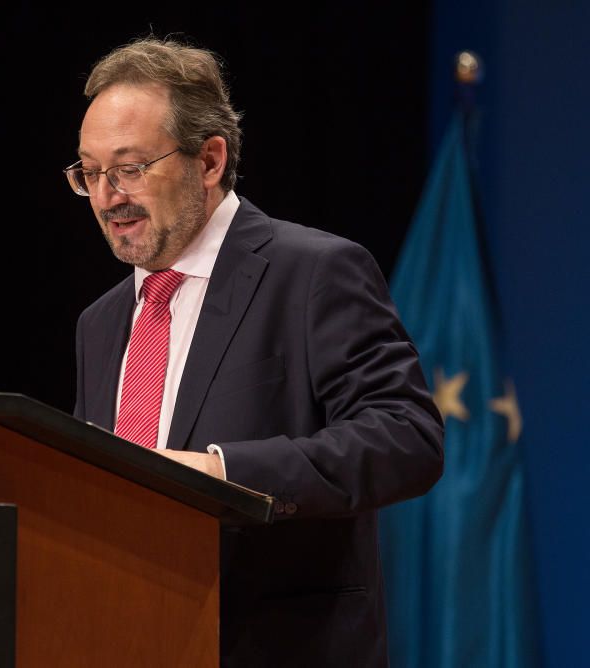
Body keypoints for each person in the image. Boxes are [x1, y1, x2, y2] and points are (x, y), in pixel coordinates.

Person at [68, 37, 444, 667]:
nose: (108, 197)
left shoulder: (315, 273)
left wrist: (222, 474)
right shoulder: (99, 323)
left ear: (209, 160)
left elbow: (406, 438)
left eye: (129, 168)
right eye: (90, 172)